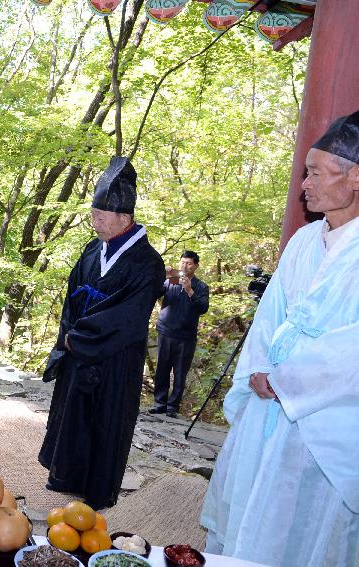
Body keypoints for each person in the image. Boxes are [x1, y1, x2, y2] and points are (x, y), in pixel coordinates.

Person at [201, 111, 359, 566]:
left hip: (327, 416)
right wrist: (258, 369)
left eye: (314, 172)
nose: (304, 184)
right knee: (251, 509)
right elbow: (270, 317)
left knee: (307, 526)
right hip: (269, 400)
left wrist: (291, 378)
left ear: (355, 178)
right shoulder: (304, 240)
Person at [38, 157, 164, 509]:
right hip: (78, 350)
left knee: (104, 423)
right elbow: (71, 297)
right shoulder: (93, 250)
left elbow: (128, 316)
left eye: (101, 215)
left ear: (124, 218)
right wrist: (67, 337)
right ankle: (65, 476)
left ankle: (96, 490)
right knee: (72, 415)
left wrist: (79, 338)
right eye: (93, 213)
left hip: (114, 358)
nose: (94, 220)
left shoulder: (147, 263)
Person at [149, 250, 209, 418]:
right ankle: (159, 403)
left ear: (196, 266)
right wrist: (162, 275)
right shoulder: (171, 281)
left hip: (186, 336)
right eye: (182, 262)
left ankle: (172, 407)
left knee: (180, 372)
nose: (184, 265)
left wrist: (190, 290)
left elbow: (202, 308)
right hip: (165, 330)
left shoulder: (201, 287)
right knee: (162, 368)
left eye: (189, 263)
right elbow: (154, 293)